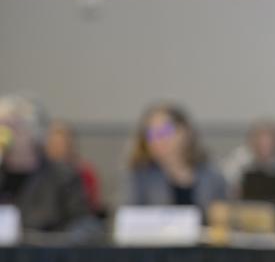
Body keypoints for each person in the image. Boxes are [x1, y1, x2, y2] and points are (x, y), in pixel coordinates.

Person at [0, 95, 100, 241]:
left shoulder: (63, 176)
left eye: (12, 129)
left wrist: (56, 242)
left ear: (33, 133)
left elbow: (86, 225)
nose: (4, 136)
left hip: (47, 257)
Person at [124, 103, 227, 212]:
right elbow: (127, 219)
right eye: (151, 134)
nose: (157, 139)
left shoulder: (212, 176)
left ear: (184, 132)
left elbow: (225, 216)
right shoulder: (139, 176)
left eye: (164, 131)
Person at [44, 119, 103, 213]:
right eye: (55, 144)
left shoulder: (84, 171)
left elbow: (93, 203)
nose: (59, 147)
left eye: (63, 143)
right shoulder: (40, 172)